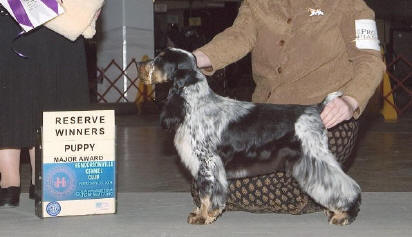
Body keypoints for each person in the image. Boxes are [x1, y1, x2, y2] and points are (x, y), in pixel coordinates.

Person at [191, 0, 386, 213]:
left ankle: (321, 191)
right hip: (267, 122)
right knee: (205, 185)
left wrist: (350, 100)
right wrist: (191, 59)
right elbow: (238, 36)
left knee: (282, 187)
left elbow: (370, 59)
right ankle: (325, 192)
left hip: (327, 120)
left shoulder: (349, 3)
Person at [0, 0, 103, 207]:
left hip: (21, 16)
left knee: (10, 96)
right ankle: (40, 181)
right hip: (56, 17)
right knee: (49, 95)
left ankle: (10, 184)